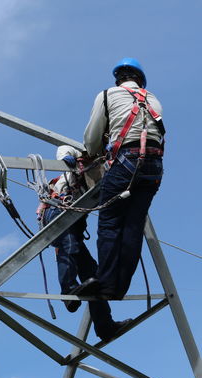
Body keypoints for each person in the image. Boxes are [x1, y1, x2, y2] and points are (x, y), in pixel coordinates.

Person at [80, 57, 164, 302]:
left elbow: (93, 138)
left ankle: (105, 283)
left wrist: (93, 151)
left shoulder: (107, 95)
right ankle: (119, 288)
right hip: (154, 165)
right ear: (140, 79)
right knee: (133, 227)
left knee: (109, 223)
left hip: (126, 161)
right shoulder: (153, 99)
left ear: (119, 79)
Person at [39, 146, 128, 341]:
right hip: (58, 210)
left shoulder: (104, 175)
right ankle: (68, 289)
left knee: (93, 275)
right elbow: (63, 148)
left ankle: (105, 326)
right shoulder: (81, 159)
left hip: (74, 220)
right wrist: (67, 158)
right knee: (68, 245)